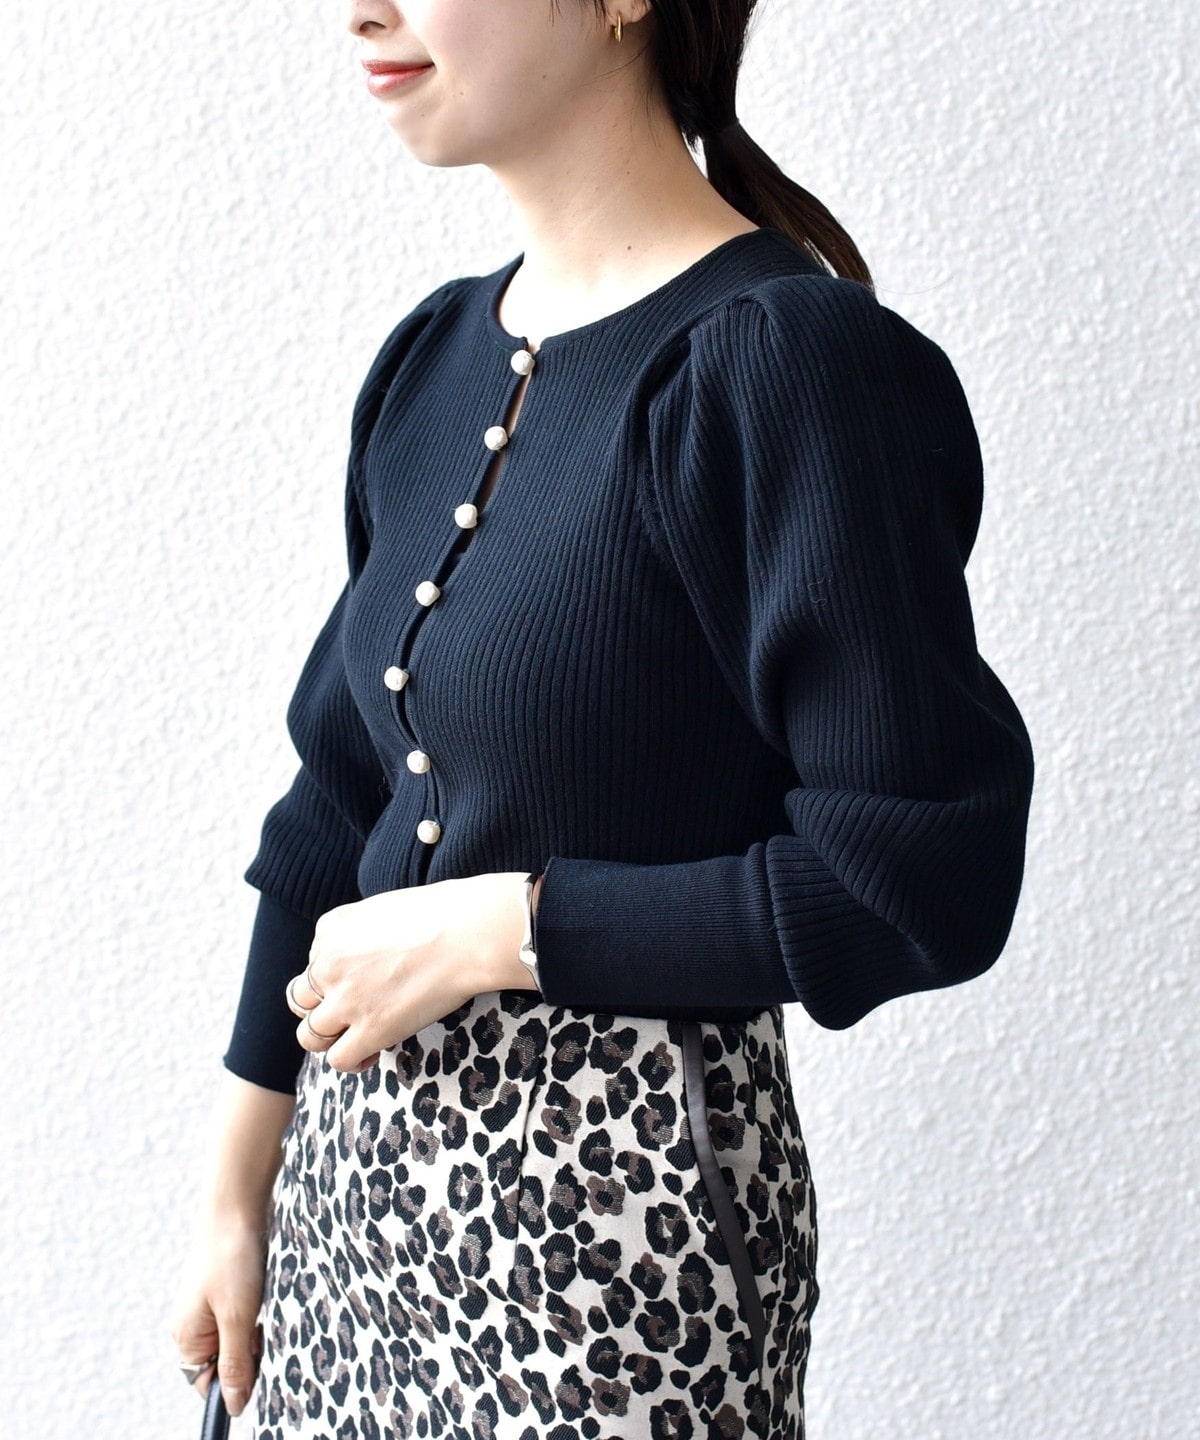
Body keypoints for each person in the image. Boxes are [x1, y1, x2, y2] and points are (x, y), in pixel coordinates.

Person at [170, 1, 1035, 1436]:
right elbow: (335, 798)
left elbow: (918, 877)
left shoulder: (784, 365)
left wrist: (504, 929)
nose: (360, 8)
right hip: (350, 1221)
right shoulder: (432, 360)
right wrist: (233, 1189)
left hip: (621, 1244)